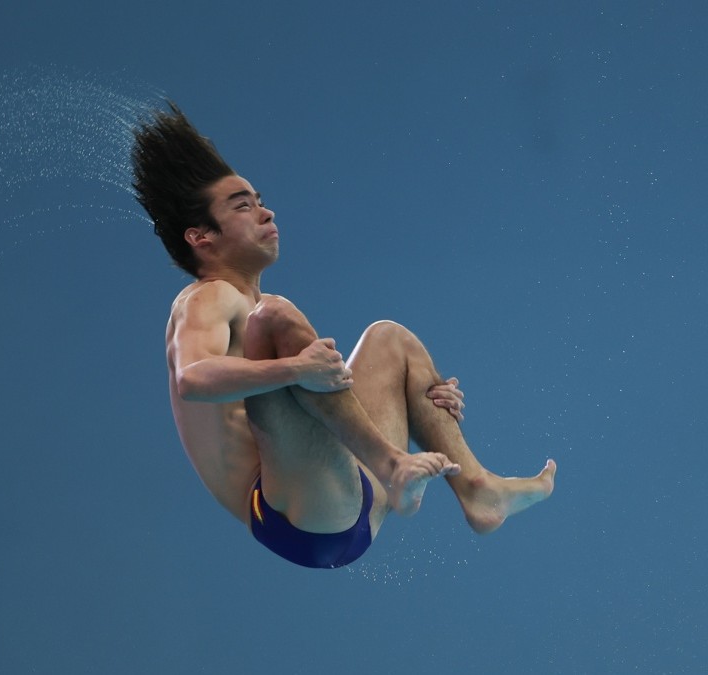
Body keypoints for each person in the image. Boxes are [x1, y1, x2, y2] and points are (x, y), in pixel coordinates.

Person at [132, 103, 556, 569]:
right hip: (289, 514)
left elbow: (327, 399)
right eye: (243, 206)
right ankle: (394, 466)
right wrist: (296, 368)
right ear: (201, 237)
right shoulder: (206, 297)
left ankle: (477, 489)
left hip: (350, 495)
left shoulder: (250, 306)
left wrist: (424, 405)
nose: (266, 212)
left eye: (259, 200)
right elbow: (192, 378)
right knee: (275, 315)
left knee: (391, 339)